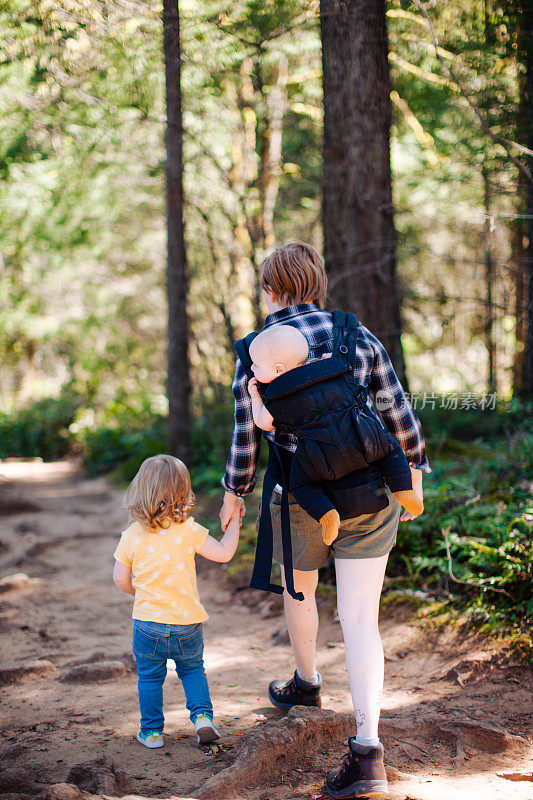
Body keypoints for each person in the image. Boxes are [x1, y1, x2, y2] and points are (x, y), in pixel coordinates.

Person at [220, 242, 431, 799]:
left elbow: (247, 431)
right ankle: (367, 753)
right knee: (361, 620)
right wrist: (413, 466)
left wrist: (234, 491)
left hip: (302, 493)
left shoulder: (255, 350)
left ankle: (307, 682)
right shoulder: (354, 333)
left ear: (269, 291)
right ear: (318, 285)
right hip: (373, 487)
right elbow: (395, 405)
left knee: (302, 592)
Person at [246, 324, 423, 546]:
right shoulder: (331, 368)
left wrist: (255, 397)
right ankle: (403, 489)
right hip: (362, 438)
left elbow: (263, 424)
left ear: (279, 369)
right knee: (390, 450)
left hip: (317, 458)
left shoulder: (278, 397)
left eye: (256, 365)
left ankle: (327, 514)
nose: (252, 368)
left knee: (299, 485)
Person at [113, 454, 243, 749]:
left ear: (141, 490)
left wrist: (139, 593)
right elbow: (223, 554)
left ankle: (152, 732)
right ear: (183, 492)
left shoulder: (132, 535)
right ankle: (202, 718)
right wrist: (234, 522)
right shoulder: (189, 530)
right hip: (187, 623)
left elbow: (120, 579)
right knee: (193, 669)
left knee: (149, 678)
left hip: (148, 624)